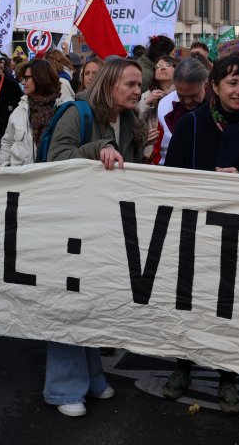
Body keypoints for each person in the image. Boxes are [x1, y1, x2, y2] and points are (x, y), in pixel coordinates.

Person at [161, 55, 239, 414]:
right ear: (214, 86)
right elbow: (172, 178)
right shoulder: (192, 124)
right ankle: (182, 366)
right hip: (195, 233)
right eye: (232, 83)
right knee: (188, 302)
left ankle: (228, 376)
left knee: (232, 308)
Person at [43, 57, 147, 416]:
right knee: (67, 302)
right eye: (130, 84)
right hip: (69, 224)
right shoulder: (77, 113)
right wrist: (96, 150)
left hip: (103, 225)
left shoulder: (129, 120)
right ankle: (63, 388)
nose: (138, 91)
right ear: (109, 84)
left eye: (139, 85)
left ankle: (91, 377)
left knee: (91, 302)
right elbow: (56, 160)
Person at [0, 58, 71, 167]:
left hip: (51, 174)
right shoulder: (20, 110)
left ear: (40, 78)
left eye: (27, 78)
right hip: (20, 174)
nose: (23, 82)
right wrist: (4, 167)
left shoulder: (62, 109)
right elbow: (7, 142)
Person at [153, 57, 209, 165]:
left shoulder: (218, 106)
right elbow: (159, 148)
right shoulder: (165, 105)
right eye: (181, 96)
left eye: (193, 95)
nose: (188, 101)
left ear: (205, 85)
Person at [137, 55, 177, 160]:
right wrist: (146, 103)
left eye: (168, 65)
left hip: (173, 150)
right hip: (150, 154)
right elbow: (135, 122)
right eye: (158, 66)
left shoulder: (182, 95)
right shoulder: (146, 95)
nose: (162, 68)